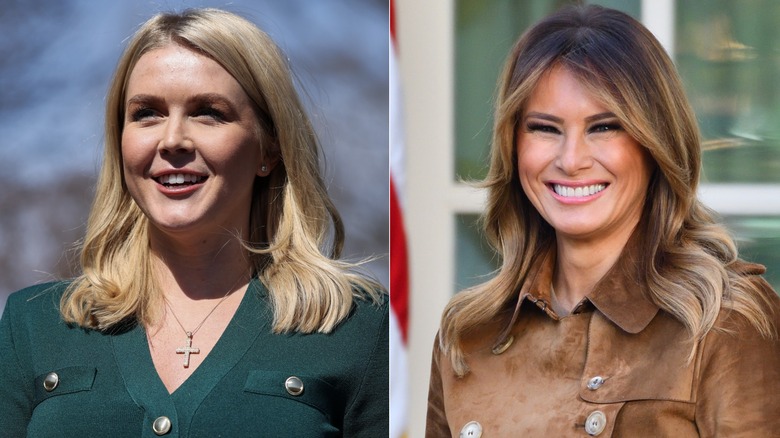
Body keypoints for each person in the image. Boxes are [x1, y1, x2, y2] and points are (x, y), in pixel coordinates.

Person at [0, 8, 388, 437]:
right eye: (147, 113)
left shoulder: (358, 328)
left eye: (209, 112)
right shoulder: (32, 326)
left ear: (269, 148)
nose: (172, 140)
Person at [426, 5, 779, 437]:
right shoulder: (467, 335)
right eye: (544, 128)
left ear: (655, 143)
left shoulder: (725, 322)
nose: (571, 160)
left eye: (604, 127)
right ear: (512, 144)